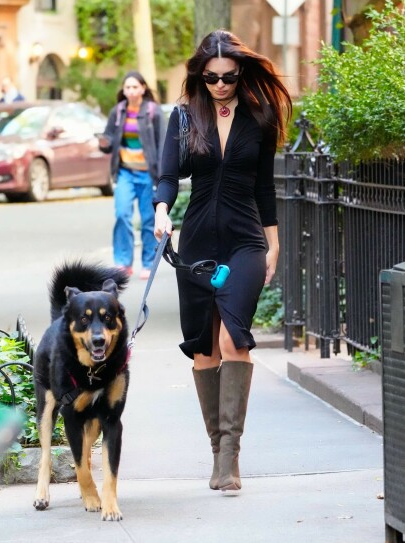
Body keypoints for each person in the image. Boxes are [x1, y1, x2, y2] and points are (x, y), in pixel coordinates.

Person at [154, 30, 291, 491]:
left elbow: (264, 188)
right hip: (196, 244)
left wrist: (273, 244)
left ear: (241, 72)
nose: (219, 85)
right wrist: (159, 212)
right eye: (210, 78)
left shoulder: (260, 117)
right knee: (202, 348)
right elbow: (168, 177)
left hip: (245, 240)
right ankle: (216, 451)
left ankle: (230, 457)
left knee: (236, 337)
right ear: (200, 76)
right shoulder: (183, 118)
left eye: (228, 76)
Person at [98, 71, 166, 279]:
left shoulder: (154, 112)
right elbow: (108, 139)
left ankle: (148, 263)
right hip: (125, 172)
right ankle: (123, 262)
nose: (131, 91)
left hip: (147, 174)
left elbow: (163, 144)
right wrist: (104, 143)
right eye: (127, 87)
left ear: (143, 89)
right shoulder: (118, 112)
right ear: (124, 90)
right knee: (121, 215)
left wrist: (163, 175)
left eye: (135, 87)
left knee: (147, 220)